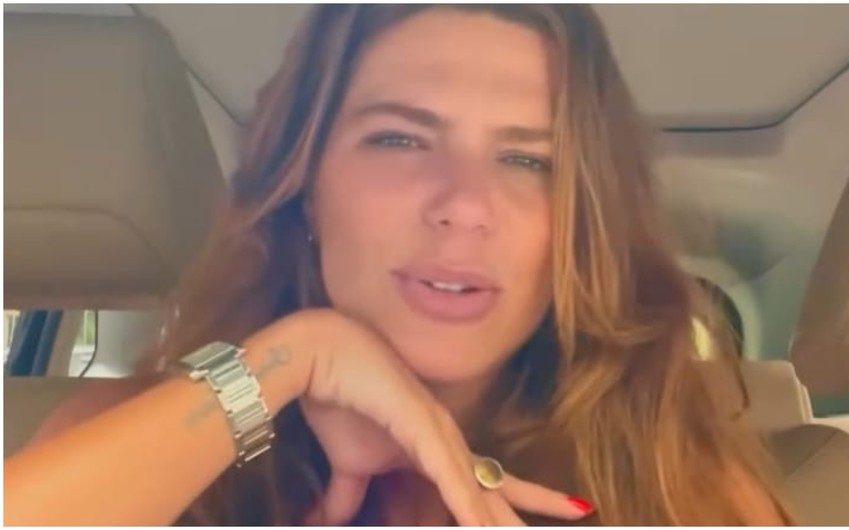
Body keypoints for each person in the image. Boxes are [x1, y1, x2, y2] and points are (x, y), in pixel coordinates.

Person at [5, 5, 793, 526]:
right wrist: (299, 358)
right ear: (305, 190)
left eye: (529, 159)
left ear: (580, 226)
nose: (465, 203)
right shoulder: (135, 437)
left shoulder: (676, 485)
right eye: (400, 139)